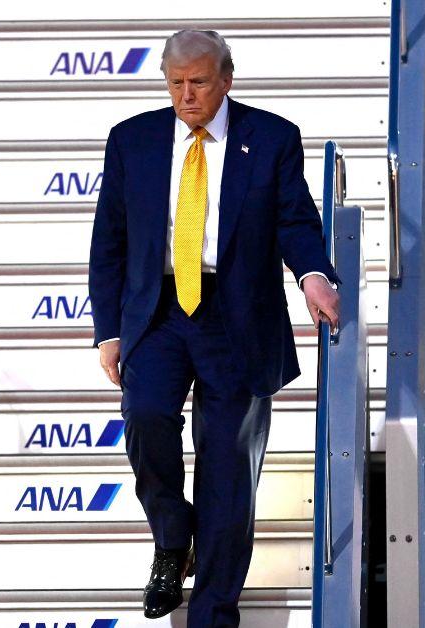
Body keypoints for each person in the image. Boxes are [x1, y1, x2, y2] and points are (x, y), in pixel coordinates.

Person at [88, 29, 341, 627]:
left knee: (227, 472)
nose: (187, 95)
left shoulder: (272, 137)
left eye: (198, 82)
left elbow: (295, 220)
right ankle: (173, 538)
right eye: (176, 84)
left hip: (238, 317)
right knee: (147, 415)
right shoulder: (132, 140)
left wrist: (312, 274)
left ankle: (212, 615)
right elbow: (110, 241)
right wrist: (107, 329)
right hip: (158, 313)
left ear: (226, 79)